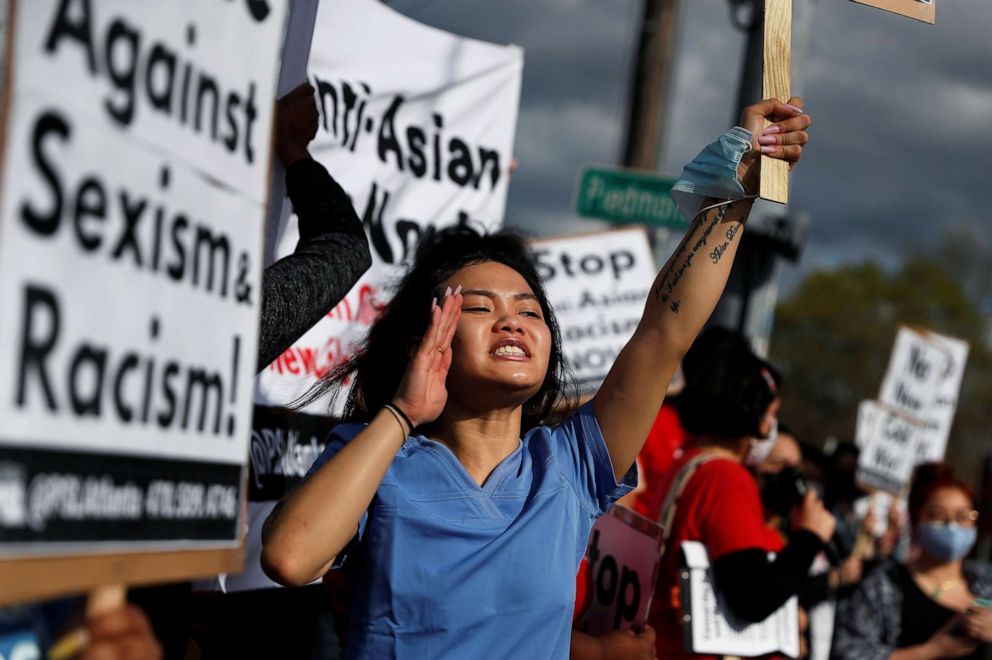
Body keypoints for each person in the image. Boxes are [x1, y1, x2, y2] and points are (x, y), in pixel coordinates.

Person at [261, 97, 812, 658]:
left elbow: (662, 334)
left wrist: (738, 178)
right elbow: (288, 556)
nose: (512, 322)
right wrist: (401, 415)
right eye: (478, 307)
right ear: (421, 338)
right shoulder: (375, 456)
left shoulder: (571, 464)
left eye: (529, 311)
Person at [642, 347, 836, 659]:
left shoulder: (690, 463)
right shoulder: (725, 476)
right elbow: (753, 597)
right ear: (751, 412)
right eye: (770, 414)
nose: (770, 427)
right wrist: (809, 537)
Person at [831, 463, 992, 660]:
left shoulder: (986, 582)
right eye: (937, 515)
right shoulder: (885, 585)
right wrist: (927, 652)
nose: (952, 526)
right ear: (916, 522)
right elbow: (847, 651)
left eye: (964, 516)